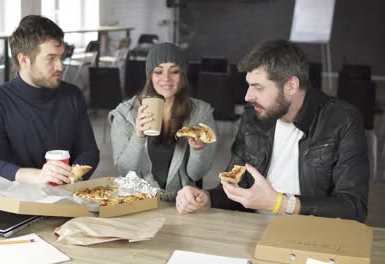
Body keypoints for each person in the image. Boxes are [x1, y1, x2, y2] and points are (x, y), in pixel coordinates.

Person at [175, 39, 369, 222]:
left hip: (311, 237)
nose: (248, 96)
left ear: (291, 85)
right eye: (248, 85)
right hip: (252, 230)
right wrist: (206, 198)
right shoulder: (252, 117)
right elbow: (235, 186)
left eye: (257, 87)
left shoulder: (342, 120)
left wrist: (281, 204)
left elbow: (354, 207)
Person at [0, 15, 99, 184]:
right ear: (24, 60)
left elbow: (89, 151)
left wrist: (71, 178)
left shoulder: (72, 95)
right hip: (15, 200)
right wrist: (39, 176)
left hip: (65, 196)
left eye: (61, 57)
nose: (60, 66)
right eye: (51, 58)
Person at [108, 42, 217, 202]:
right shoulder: (125, 113)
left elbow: (197, 174)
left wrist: (198, 150)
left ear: (183, 76)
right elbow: (125, 170)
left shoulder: (200, 113)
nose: (166, 78)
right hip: (138, 201)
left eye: (174, 71)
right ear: (150, 76)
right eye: (158, 71)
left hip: (182, 203)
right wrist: (138, 137)